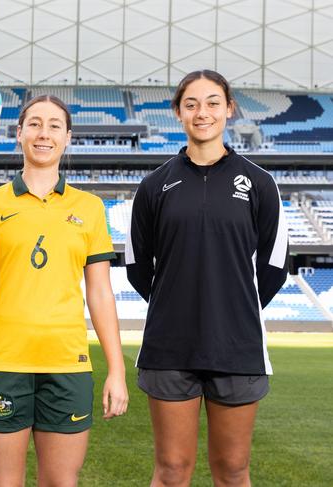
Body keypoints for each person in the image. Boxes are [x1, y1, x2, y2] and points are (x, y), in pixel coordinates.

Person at [0, 94, 129, 486]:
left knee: (61, 482)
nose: (44, 133)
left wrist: (116, 370)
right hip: (2, 361)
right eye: (35, 124)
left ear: (68, 137)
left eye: (54, 125)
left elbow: (99, 293)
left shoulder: (90, 207)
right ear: (19, 133)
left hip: (67, 365)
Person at [126, 70, 288, 487]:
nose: (203, 112)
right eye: (192, 103)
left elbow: (275, 264)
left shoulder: (259, 183)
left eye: (213, 102)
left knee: (233, 471)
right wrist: (177, 304)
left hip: (237, 347)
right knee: (172, 470)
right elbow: (137, 266)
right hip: (169, 346)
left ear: (230, 109)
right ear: (178, 112)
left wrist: (232, 308)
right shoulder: (153, 186)